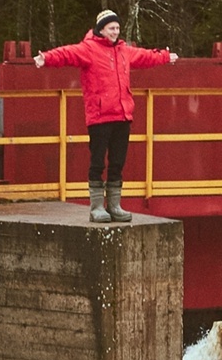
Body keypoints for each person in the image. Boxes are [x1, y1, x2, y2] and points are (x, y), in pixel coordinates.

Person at [34, 12, 177, 223]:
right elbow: (66, 54)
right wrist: (45, 58)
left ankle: (115, 206)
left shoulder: (123, 51)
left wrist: (165, 56)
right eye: (111, 28)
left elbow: (145, 56)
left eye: (117, 28)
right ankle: (96, 207)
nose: (115, 32)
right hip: (100, 116)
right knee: (98, 162)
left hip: (122, 115)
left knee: (117, 163)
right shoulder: (88, 49)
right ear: (101, 29)